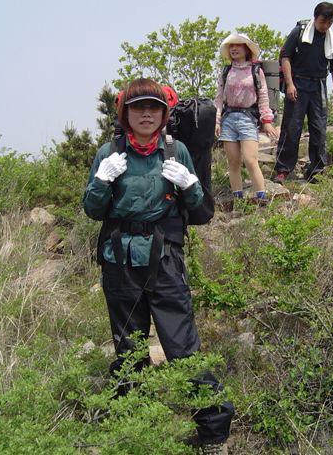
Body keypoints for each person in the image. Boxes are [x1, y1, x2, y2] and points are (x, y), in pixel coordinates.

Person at [84, 78, 234, 454]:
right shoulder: (108, 152)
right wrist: (102, 181)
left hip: (164, 260)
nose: (146, 114)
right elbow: (93, 210)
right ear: (125, 114)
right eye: (138, 108)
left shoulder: (175, 150)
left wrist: (190, 184)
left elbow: (201, 210)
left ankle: (213, 433)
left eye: (153, 107)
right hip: (119, 262)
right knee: (129, 349)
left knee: (182, 346)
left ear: (164, 114)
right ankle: (135, 428)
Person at [274, 2, 333, 184]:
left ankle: (315, 170)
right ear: (315, 18)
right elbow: (285, 57)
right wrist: (290, 84)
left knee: (319, 129)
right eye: (323, 21)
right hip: (298, 83)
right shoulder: (299, 31)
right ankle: (283, 169)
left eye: (329, 22)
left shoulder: (332, 39)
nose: (326, 25)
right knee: (291, 127)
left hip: (319, 86)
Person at [214, 32, 279, 204]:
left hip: (248, 118)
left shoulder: (256, 71)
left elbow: (263, 96)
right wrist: (216, 120)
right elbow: (219, 98)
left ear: (246, 49)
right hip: (228, 119)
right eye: (231, 46)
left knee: (250, 160)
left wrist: (267, 121)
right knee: (233, 162)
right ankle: (238, 200)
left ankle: (262, 199)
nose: (234, 48)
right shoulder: (226, 71)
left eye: (238, 45)